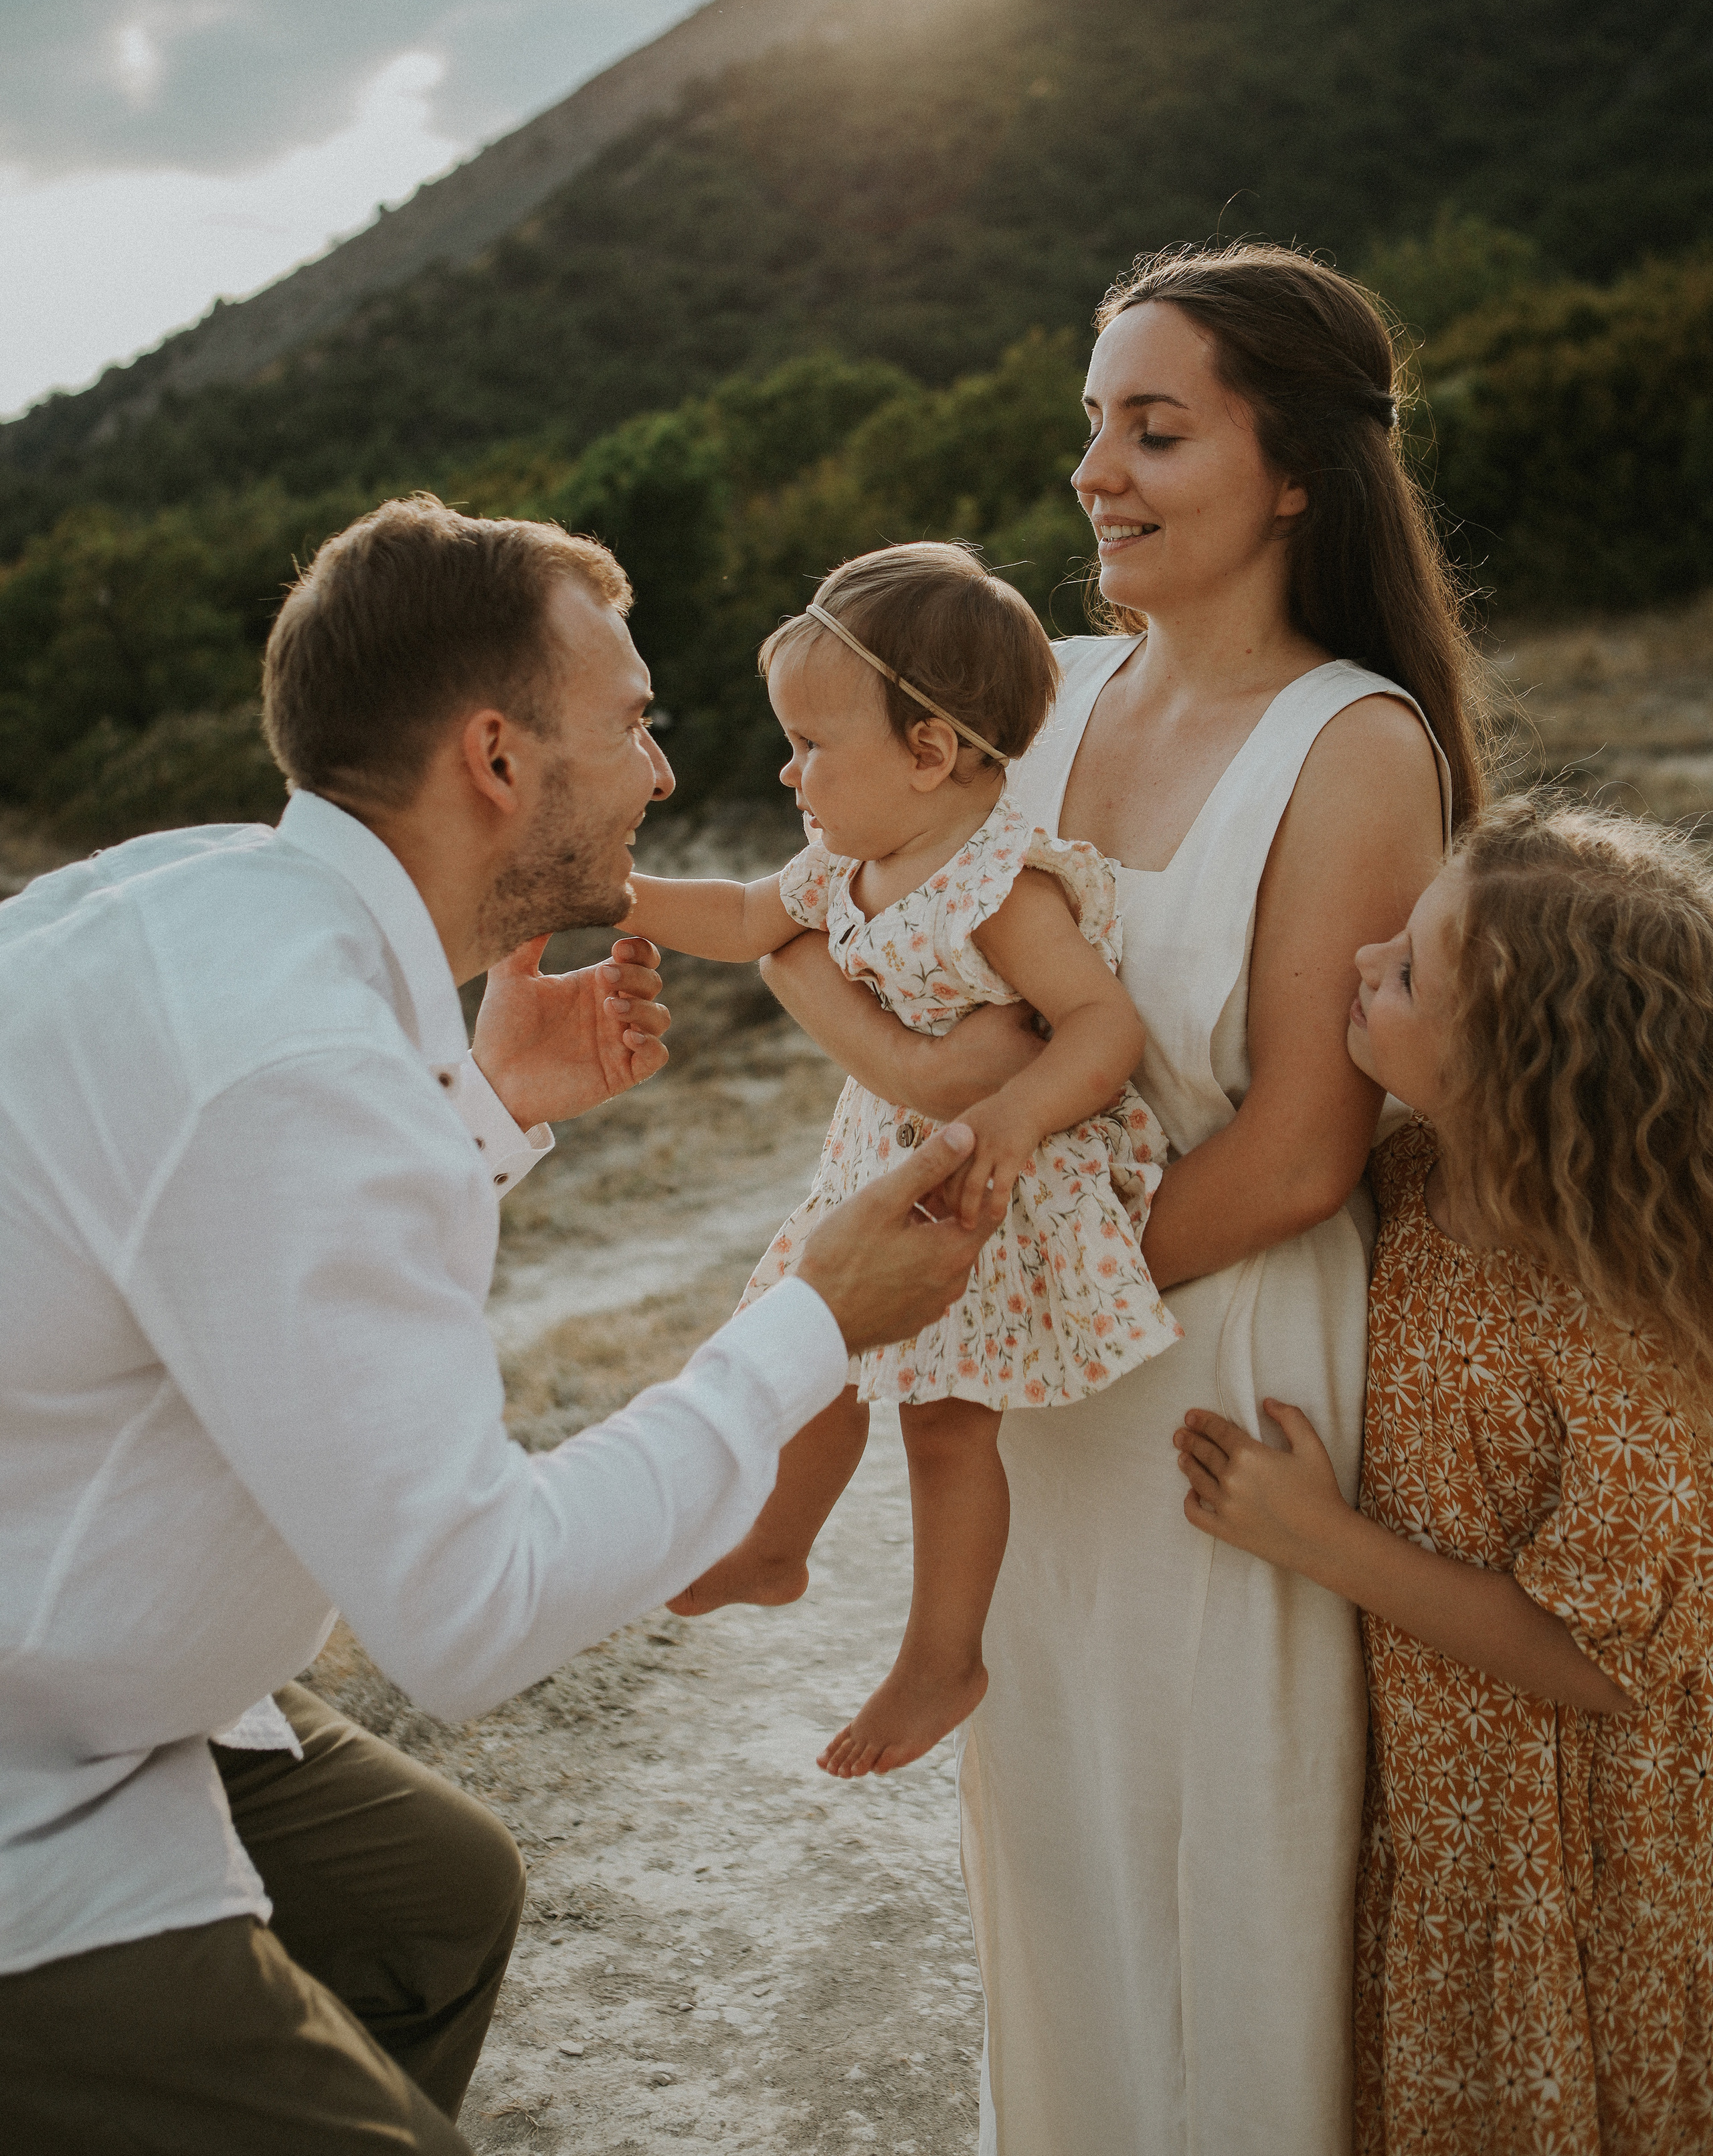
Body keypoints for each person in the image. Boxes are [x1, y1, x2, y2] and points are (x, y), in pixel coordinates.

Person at [0, 495, 1005, 2156]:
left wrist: (486, 1098)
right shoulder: (305, 1061)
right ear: (495, 756)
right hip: (30, 1754)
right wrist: (810, 1318)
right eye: (632, 722)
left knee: (432, 1896)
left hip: (70, 1657)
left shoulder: (202, 897)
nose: (663, 775)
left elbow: (225, 1268)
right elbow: (471, 1610)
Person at [759, 242, 1481, 2152]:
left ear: (1298, 472)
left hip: (1218, 1375)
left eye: (1156, 429)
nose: (1100, 471)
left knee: (1221, 1874)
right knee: (1062, 1866)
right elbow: (913, 951)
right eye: (1094, 425)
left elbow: (1310, 1145)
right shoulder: (1046, 698)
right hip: (1042, 1388)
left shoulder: (1356, 742)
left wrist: (997, 1293)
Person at [1174, 796, 1713, 2153]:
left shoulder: (1614, 1310)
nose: (1360, 960)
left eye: (1407, 969)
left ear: (1516, 1061)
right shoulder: (1406, 1173)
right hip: (1445, 1823)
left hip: (1581, 1860)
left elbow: (1604, 1659)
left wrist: (1316, 1538)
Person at [620, 542, 1180, 1779]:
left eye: (813, 742)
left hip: (988, 1191)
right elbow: (740, 915)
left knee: (943, 1425)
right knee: (814, 1350)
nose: (788, 766)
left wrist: (1022, 1118)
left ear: (929, 752)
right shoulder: (840, 866)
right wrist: (610, 891)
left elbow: (1102, 1027)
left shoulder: (997, 886)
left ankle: (942, 1654)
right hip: (878, 1170)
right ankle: (777, 1543)